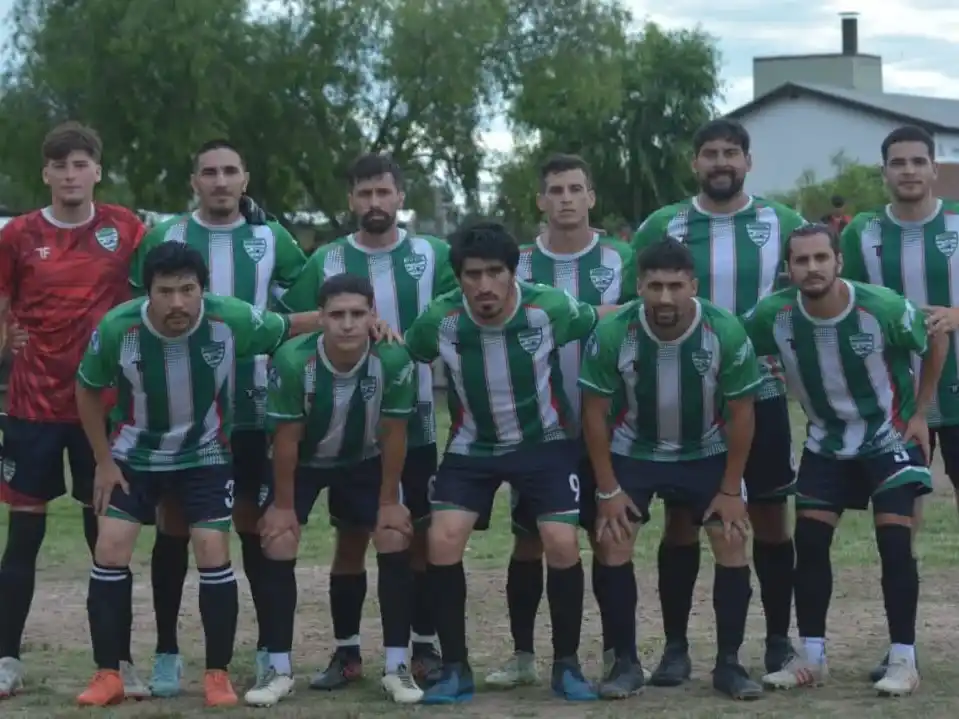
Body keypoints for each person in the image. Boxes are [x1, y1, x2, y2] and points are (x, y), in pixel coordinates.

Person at [72, 242, 321, 707]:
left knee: (212, 549)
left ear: (203, 290)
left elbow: (289, 326)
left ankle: (216, 675)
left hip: (204, 455)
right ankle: (108, 674)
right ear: (147, 293)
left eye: (188, 290)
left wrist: (355, 321)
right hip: (134, 456)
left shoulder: (230, 319)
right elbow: (86, 390)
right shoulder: (118, 328)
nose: (177, 303)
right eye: (165, 292)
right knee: (110, 548)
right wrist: (103, 462)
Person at [131, 139, 308, 697]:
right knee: (174, 525)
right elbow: (137, 311)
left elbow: (299, 307)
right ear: (194, 182)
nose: (221, 181)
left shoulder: (271, 238)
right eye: (209, 172)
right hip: (180, 409)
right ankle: (166, 651)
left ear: (245, 179)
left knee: (253, 525)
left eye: (230, 171)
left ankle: (269, 649)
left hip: (252, 407)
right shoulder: (165, 236)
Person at [632, 119, 806, 683]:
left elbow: (808, 292)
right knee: (682, 521)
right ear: (695, 163)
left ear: (748, 162)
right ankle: (676, 648)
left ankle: (777, 640)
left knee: (769, 519)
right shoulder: (664, 224)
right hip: (685, 394)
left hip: (763, 390)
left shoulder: (783, 222)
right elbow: (635, 298)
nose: (721, 162)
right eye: (710, 153)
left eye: (732, 152)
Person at [744, 224, 946, 697]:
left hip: (889, 436)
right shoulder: (772, 316)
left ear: (839, 261)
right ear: (788, 269)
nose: (812, 268)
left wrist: (921, 411)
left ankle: (904, 659)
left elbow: (936, 337)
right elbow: (733, 346)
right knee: (811, 543)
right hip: (826, 443)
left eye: (821, 258)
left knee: (894, 543)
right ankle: (811, 658)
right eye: (801, 260)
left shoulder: (883, 307)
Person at [404, 220, 600, 704]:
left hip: (545, 442)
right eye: (473, 275)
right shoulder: (439, 320)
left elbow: (598, 318)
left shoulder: (549, 308)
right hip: (473, 446)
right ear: (459, 278)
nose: (485, 284)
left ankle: (567, 665)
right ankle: (455, 669)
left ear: (514, 272)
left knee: (560, 540)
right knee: (441, 539)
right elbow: (408, 348)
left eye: (495, 272)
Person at [278, 153, 455, 687]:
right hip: (345, 428)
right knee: (351, 536)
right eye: (364, 193)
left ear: (400, 196)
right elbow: (293, 323)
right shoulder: (327, 259)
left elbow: (462, 308)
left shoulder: (433, 254)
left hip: (412, 419)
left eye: (384, 192)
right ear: (351, 200)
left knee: (413, 533)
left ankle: (422, 646)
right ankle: (347, 652)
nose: (374, 202)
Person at [0, 122, 150, 700]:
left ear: (97, 171)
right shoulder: (18, 234)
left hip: (103, 411)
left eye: (80, 164)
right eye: (60, 165)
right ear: (46, 173)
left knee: (105, 540)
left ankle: (117, 662)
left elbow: (168, 273)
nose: (70, 175)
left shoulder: (125, 227)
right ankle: (7, 659)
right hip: (32, 407)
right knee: (23, 538)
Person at [580, 237, 764, 700]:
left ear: (693, 287)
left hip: (705, 448)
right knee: (613, 536)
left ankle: (728, 663)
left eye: (675, 286)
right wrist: (608, 489)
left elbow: (742, 413)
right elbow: (594, 413)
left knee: (730, 535)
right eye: (655, 286)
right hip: (634, 449)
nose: (665, 297)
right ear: (639, 286)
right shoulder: (614, 332)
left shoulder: (725, 331)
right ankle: (625, 663)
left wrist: (730, 489)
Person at [486, 153, 639, 693]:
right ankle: (524, 654)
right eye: (556, 190)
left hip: (610, 426)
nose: (567, 198)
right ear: (541, 201)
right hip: (540, 430)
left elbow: (644, 320)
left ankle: (619, 656)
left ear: (591, 197)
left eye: (576, 188)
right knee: (530, 541)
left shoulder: (622, 258)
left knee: (609, 538)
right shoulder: (519, 264)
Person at [248, 273, 423, 706]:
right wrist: (283, 506)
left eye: (357, 314)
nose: (347, 324)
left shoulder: (394, 359)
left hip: (362, 459)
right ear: (321, 318)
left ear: (373, 316)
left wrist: (389, 501)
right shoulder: (293, 361)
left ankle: (397, 666)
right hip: (303, 462)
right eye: (337, 314)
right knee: (278, 539)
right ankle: (278, 668)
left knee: (393, 533)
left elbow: (395, 433)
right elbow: (285, 440)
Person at [838, 124, 959, 682]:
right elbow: (843, 301)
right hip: (894, 403)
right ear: (883, 171)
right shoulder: (862, 233)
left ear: (934, 168)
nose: (908, 170)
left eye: (917, 161)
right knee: (898, 526)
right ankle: (901, 646)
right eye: (897, 162)